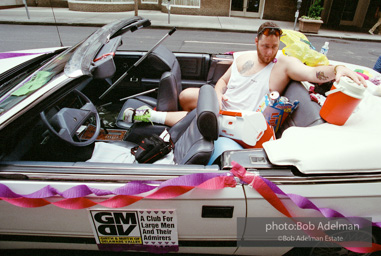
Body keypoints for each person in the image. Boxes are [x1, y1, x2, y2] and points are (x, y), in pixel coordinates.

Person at [123, 21, 366, 127]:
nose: (270, 51)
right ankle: (189, 118)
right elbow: (222, 82)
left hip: (239, 118)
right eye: (265, 46)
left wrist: (337, 70)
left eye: (274, 46)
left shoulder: (284, 64)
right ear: (257, 41)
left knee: (202, 113)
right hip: (223, 103)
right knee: (186, 95)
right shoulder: (242, 57)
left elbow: (313, 73)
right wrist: (217, 95)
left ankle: (150, 117)